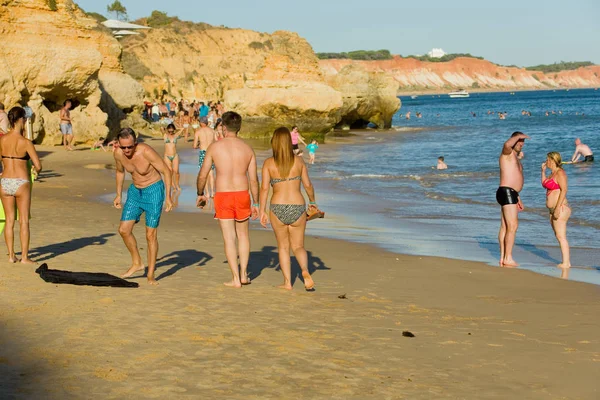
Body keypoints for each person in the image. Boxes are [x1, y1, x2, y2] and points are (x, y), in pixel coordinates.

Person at [196, 111, 259, 288]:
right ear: (239, 127)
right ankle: (244, 274)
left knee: (229, 237)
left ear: (223, 126)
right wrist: (256, 203)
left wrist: (200, 193)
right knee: (243, 235)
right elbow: (254, 179)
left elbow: (203, 174)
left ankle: (235, 278)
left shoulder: (215, 148)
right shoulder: (247, 149)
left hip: (223, 195)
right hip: (242, 193)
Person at [113, 128, 173, 285]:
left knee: (150, 235)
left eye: (129, 147)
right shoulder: (118, 154)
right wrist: (118, 194)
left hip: (154, 191)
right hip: (135, 192)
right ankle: (137, 263)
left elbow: (166, 171)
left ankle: (151, 274)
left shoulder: (146, 151)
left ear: (135, 143)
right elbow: (120, 172)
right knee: (123, 230)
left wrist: (168, 197)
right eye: (123, 146)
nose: (126, 150)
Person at [259, 127, 317, 291]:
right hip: (297, 206)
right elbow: (307, 185)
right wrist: (313, 202)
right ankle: (305, 271)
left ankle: (287, 283)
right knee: (298, 246)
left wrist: (262, 210)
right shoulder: (298, 161)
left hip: (277, 207)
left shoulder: (269, 163)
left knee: (283, 247)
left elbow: (264, 189)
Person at [0, 107, 42, 263]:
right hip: (21, 182)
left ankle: (11, 255)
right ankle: (24, 257)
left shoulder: (2, 140)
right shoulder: (25, 142)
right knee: (23, 220)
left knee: (9, 220)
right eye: (24, 119)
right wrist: (33, 169)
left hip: (5, 182)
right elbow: (38, 165)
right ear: (21, 120)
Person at [496, 131, 530, 267]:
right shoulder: (507, 153)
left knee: (505, 226)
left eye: (523, 141)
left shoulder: (515, 157)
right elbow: (506, 144)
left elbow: (515, 177)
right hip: (506, 191)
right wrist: (517, 137)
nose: (521, 143)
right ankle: (508, 257)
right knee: (513, 226)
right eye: (519, 141)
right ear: (513, 140)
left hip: (511, 193)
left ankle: (503, 257)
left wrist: (517, 197)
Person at [541, 152, 571, 268]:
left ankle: (566, 262)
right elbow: (544, 183)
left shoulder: (560, 173)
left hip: (561, 208)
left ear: (553, 160)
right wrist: (542, 171)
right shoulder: (551, 173)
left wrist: (558, 208)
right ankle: (565, 261)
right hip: (552, 209)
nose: (546, 161)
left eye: (547, 160)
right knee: (558, 235)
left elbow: (564, 190)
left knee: (561, 236)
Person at [193, 117, 216, 197]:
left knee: (204, 173)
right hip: (211, 152)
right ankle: (213, 192)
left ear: (201, 123)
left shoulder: (198, 132)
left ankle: (207, 193)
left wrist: (199, 144)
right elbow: (216, 142)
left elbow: (194, 146)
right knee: (211, 173)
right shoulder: (213, 131)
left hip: (203, 152)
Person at [162, 123, 182, 191]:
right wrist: (166, 129)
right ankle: (173, 185)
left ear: (174, 130)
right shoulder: (165, 135)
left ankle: (177, 184)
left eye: (172, 131)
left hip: (175, 155)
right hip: (167, 156)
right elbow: (161, 128)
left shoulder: (176, 135)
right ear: (167, 130)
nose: (170, 132)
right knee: (169, 171)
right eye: (169, 131)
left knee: (176, 172)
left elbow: (182, 129)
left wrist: (176, 127)